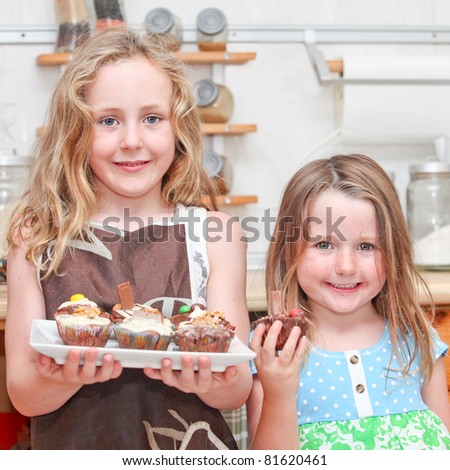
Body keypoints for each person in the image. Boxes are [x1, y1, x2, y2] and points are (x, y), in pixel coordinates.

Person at [5, 27, 251, 450]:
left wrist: (207, 382)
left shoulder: (216, 235)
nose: (132, 140)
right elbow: (23, 394)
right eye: (108, 121)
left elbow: (238, 387)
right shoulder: (37, 236)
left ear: (179, 129)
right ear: (75, 131)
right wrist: (59, 378)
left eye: (152, 118)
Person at [247, 154, 450, 450]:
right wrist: (279, 394)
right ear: (289, 250)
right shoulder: (273, 347)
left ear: (393, 251)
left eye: (366, 246)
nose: (346, 266)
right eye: (324, 244)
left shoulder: (417, 339)